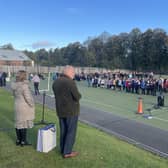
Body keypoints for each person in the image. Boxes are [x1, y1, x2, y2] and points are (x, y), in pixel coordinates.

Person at [52, 65, 81, 158]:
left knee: (63, 131)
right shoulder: (70, 82)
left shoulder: (56, 81)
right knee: (71, 132)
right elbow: (77, 96)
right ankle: (67, 152)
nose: (74, 74)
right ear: (69, 73)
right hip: (71, 111)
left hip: (60, 110)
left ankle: (63, 149)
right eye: (73, 73)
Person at [11, 70, 35, 147]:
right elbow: (28, 98)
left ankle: (18, 140)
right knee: (23, 124)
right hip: (24, 107)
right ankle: (23, 141)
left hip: (17, 105)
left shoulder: (15, 84)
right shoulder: (24, 86)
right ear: (24, 76)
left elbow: (15, 95)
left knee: (18, 124)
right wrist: (32, 104)